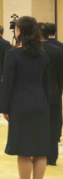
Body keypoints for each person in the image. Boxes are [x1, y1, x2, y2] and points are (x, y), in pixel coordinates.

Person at [2, 16, 51, 179]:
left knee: (23, 150)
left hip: (20, 105)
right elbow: (47, 84)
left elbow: (8, 83)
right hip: (41, 104)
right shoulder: (44, 55)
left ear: (19, 31)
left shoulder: (13, 54)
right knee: (40, 151)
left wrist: (5, 107)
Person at [40, 23, 63, 166]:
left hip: (38, 91)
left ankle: (39, 154)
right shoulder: (60, 48)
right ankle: (52, 156)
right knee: (54, 123)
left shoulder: (36, 50)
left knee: (39, 124)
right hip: (55, 90)